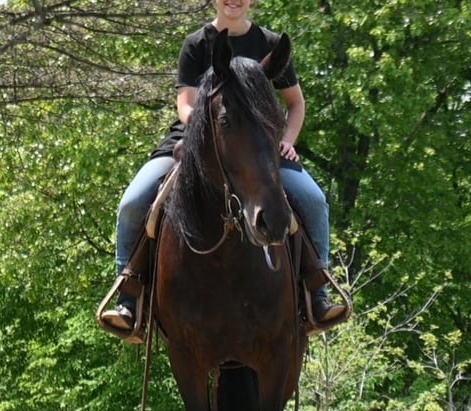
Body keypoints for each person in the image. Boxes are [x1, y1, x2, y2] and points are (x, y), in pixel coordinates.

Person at [102, 0, 346, 336]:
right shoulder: (197, 44)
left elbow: (296, 103)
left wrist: (287, 140)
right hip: (194, 139)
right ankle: (128, 298)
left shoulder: (270, 45)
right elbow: (186, 104)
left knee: (314, 200)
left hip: (259, 149)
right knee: (133, 202)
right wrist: (208, 130)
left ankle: (318, 293)